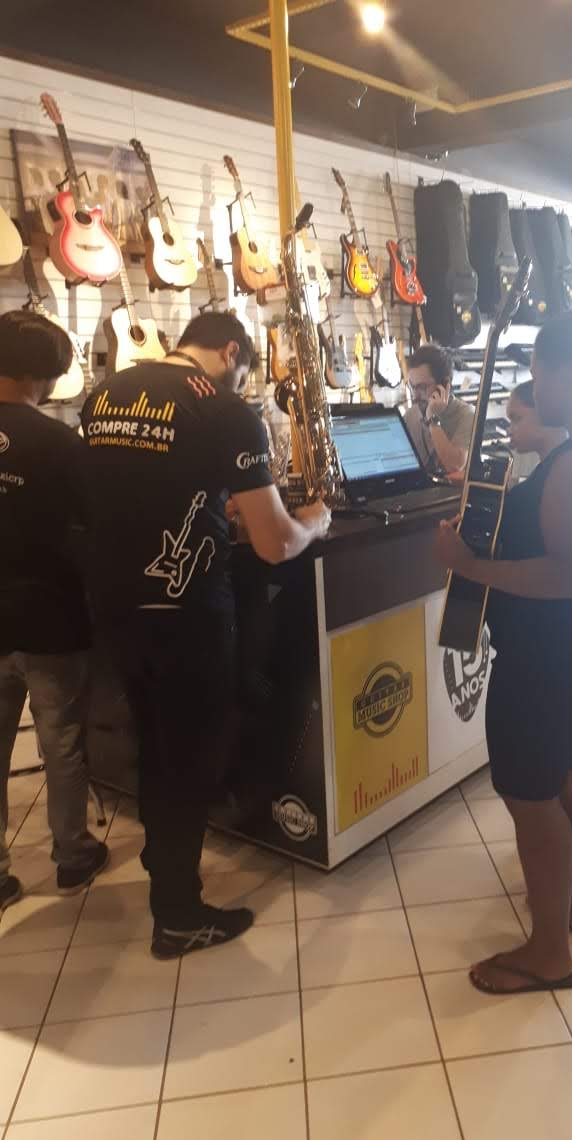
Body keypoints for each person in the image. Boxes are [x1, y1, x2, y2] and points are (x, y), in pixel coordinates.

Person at [81, 312, 330, 958]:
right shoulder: (225, 410)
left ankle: (163, 862)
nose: (241, 381)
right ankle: (178, 913)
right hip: (186, 613)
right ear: (231, 352)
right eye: (243, 370)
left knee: (152, 744)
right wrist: (314, 520)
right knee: (189, 758)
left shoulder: (105, 395)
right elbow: (274, 544)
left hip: (113, 607)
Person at [436, 309, 572, 994]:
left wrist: (471, 566)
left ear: (567, 371)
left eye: (538, 372)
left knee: (530, 797)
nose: (533, 386)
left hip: (552, 659)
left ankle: (549, 953)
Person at [0, 310, 107, 909]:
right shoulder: (62, 443)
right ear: (46, 374)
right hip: (51, 616)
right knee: (61, 743)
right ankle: (72, 855)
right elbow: (92, 529)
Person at [404, 344, 474, 475]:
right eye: (412, 387)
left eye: (422, 387)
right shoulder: (410, 415)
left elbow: (454, 465)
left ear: (444, 385)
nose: (415, 396)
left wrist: (433, 420)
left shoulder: (467, 415)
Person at [506, 379, 565, 477]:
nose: (509, 431)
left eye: (516, 419)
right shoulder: (551, 468)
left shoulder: (564, 471)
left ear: (543, 411)